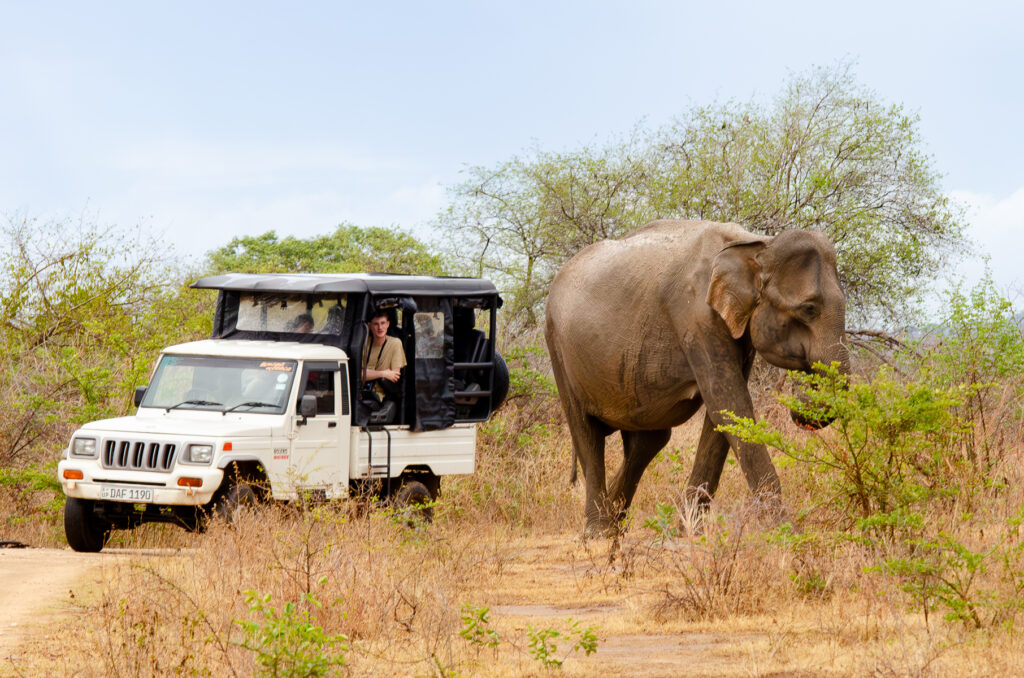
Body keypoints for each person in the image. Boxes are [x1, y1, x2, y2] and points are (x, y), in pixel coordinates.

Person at [362, 309, 406, 401]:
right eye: (376, 324)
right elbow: (358, 375)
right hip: (360, 391)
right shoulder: (364, 343)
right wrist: (383, 373)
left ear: (388, 324)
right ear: (369, 326)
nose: (380, 327)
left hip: (380, 396)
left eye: (383, 323)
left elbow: (394, 376)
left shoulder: (395, 343)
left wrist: (369, 373)